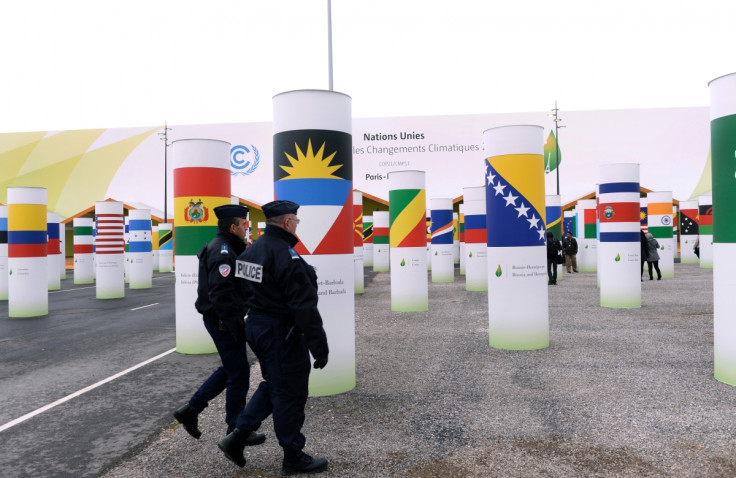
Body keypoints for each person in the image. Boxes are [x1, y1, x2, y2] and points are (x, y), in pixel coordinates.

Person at [219, 200, 330, 475]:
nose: (296, 226)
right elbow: (303, 306)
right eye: (296, 221)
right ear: (287, 222)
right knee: (290, 392)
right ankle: (293, 455)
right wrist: (319, 346)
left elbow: (243, 292)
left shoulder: (250, 252)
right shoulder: (286, 255)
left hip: (257, 327)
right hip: (281, 332)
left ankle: (238, 436)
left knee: (275, 384)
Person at [172, 204, 265, 446]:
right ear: (233, 227)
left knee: (231, 368)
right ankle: (234, 428)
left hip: (223, 319)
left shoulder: (230, 247)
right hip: (223, 320)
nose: (247, 228)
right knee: (239, 372)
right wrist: (233, 325)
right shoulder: (223, 252)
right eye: (244, 224)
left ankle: (191, 409)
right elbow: (221, 293)